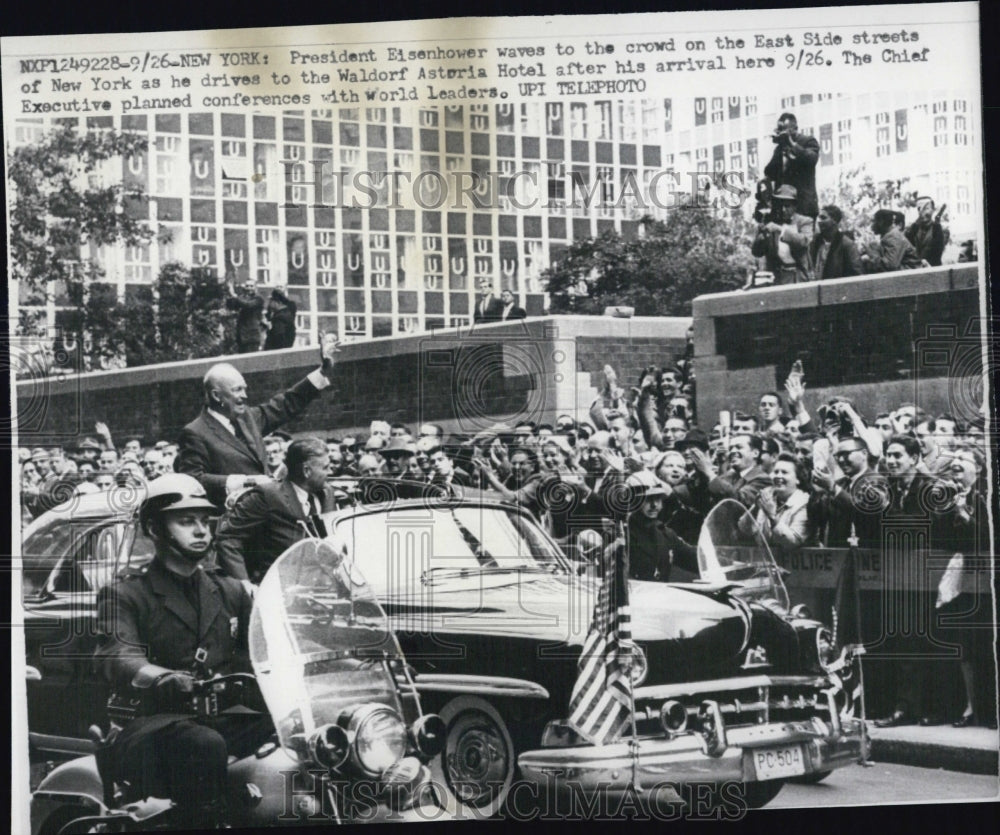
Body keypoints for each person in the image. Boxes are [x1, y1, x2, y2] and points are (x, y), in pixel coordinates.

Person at [94, 474, 267, 829]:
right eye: (186, 521)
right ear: (155, 528)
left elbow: (259, 651)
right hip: (155, 724)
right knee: (203, 744)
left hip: (225, 715)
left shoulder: (230, 589)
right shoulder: (127, 594)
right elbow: (118, 654)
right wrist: (162, 677)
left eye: (205, 521)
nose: (201, 530)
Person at [175, 340, 337, 506]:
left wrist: (322, 372)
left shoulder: (248, 417)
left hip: (269, 509)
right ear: (217, 396)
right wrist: (246, 481)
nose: (245, 396)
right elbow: (192, 479)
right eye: (237, 390)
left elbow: (286, 404)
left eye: (244, 389)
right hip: (235, 519)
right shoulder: (195, 432)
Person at [215, 438, 336, 586]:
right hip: (279, 590)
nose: (331, 472)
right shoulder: (267, 496)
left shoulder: (327, 493)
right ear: (306, 471)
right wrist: (244, 585)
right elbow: (228, 537)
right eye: (325, 467)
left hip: (325, 587)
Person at [751, 184, 814, 285]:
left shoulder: (804, 221)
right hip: (776, 278)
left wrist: (780, 230)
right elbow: (757, 252)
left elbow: (804, 241)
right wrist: (761, 237)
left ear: (795, 206)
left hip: (798, 277)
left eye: (787, 206)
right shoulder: (771, 222)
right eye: (780, 206)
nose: (783, 209)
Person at [763, 112, 820, 219]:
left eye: (787, 130)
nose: (784, 134)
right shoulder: (780, 149)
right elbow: (769, 173)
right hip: (784, 207)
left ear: (796, 128)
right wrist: (781, 147)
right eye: (781, 130)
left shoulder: (808, 141)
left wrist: (792, 144)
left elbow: (811, 159)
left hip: (804, 206)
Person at [808, 205, 862, 280]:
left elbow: (857, 274)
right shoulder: (815, 242)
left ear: (834, 220)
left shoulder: (847, 244)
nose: (818, 221)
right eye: (818, 218)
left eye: (823, 218)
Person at [862, 209, 922, 273]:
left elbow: (890, 267)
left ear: (881, 222)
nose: (872, 225)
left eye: (874, 221)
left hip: (912, 275)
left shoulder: (894, 237)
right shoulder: (891, 236)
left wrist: (872, 253)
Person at [226, 277, 265, 353]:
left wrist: (234, 295)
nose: (249, 288)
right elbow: (232, 306)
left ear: (255, 287)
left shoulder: (258, 299)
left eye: (251, 286)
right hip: (241, 336)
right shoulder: (242, 297)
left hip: (251, 337)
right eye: (247, 286)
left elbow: (248, 305)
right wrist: (230, 294)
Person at [905, 196, 946, 267]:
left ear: (933, 210)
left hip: (933, 268)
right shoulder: (914, 228)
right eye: (919, 209)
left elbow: (937, 253)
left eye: (926, 208)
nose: (922, 212)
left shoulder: (938, 229)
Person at [262, 285, 298, 350]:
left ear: (277, 302)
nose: (270, 303)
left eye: (271, 301)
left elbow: (278, 337)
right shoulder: (286, 314)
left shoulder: (279, 318)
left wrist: (269, 329)